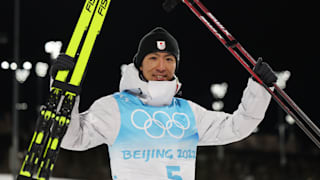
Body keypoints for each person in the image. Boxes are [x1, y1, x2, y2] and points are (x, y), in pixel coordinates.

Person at [51, 27, 277, 180]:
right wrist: (63, 91)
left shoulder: (188, 112)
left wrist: (259, 88)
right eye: (153, 58)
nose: (161, 66)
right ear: (139, 65)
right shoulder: (114, 108)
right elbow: (72, 139)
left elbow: (238, 126)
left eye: (169, 59)